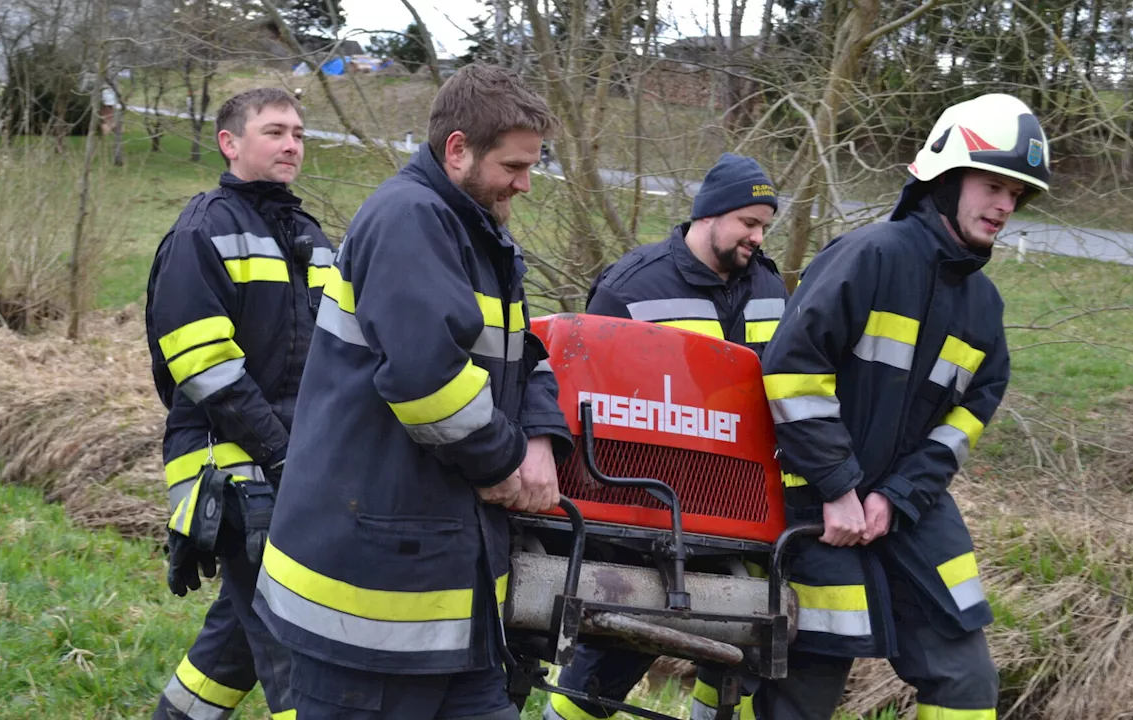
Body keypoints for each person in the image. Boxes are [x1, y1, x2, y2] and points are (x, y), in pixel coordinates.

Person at [254, 63, 574, 720]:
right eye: (514, 165)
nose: (526, 181)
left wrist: (542, 435)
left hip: (447, 603)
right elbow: (427, 381)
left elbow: (518, 348)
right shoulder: (412, 222)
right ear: (457, 149)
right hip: (367, 614)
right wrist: (507, 463)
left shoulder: (472, 227)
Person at [757, 93, 1050, 719]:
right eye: (994, 185)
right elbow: (790, 372)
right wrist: (838, 486)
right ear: (944, 177)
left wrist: (898, 496)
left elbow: (962, 424)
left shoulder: (985, 308)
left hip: (909, 514)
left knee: (967, 683)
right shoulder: (870, 256)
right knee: (803, 690)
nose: (1005, 205)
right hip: (816, 508)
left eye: (1017, 195)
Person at [546, 154, 787, 720]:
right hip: (648, 503)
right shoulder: (633, 284)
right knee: (623, 647)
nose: (757, 236)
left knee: (743, 651)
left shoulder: (771, 286)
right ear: (710, 215)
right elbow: (591, 398)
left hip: (744, 501)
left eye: (765, 227)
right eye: (749, 223)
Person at [145, 87, 332, 720]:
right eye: (275, 131)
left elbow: (337, 357)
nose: (291, 145)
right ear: (230, 143)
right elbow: (203, 368)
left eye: (299, 134)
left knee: (237, 640)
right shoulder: (204, 229)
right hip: (227, 470)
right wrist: (283, 455)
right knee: (292, 649)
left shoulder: (309, 233)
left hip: (295, 469)